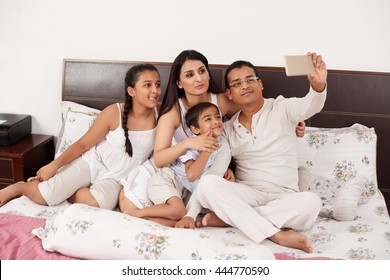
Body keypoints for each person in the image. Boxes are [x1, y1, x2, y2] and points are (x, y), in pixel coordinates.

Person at [177, 53, 327, 253]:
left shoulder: (282, 108)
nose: (245, 86)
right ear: (230, 94)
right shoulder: (228, 129)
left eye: (250, 80)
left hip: (284, 196)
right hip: (248, 194)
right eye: (237, 83)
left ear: (261, 84)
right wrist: (190, 213)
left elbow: (310, 105)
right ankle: (276, 234)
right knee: (208, 183)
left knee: (312, 203)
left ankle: (232, 219)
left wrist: (318, 86)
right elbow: (214, 174)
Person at [0, 64, 161, 210]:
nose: (155, 90)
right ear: (131, 91)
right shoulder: (113, 113)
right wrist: (53, 166)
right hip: (92, 163)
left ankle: (68, 189)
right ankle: (19, 188)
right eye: (148, 85)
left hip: (118, 177)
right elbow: (83, 144)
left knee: (100, 204)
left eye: (158, 85)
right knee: (46, 197)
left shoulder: (161, 114)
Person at [153, 49, 306, 173]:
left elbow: (259, 113)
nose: (199, 78)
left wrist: (292, 121)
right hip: (182, 173)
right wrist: (188, 143)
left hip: (214, 169)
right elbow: (159, 160)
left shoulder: (222, 101)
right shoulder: (173, 113)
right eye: (190, 75)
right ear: (179, 83)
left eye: (202, 71)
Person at [119, 102, 233, 227]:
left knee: (181, 217)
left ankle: (149, 220)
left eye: (218, 117)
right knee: (178, 210)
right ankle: (137, 213)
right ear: (195, 129)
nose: (216, 121)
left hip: (181, 192)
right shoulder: (193, 147)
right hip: (164, 181)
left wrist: (227, 171)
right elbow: (191, 175)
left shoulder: (221, 146)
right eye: (208, 119)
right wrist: (207, 150)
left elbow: (212, 172)